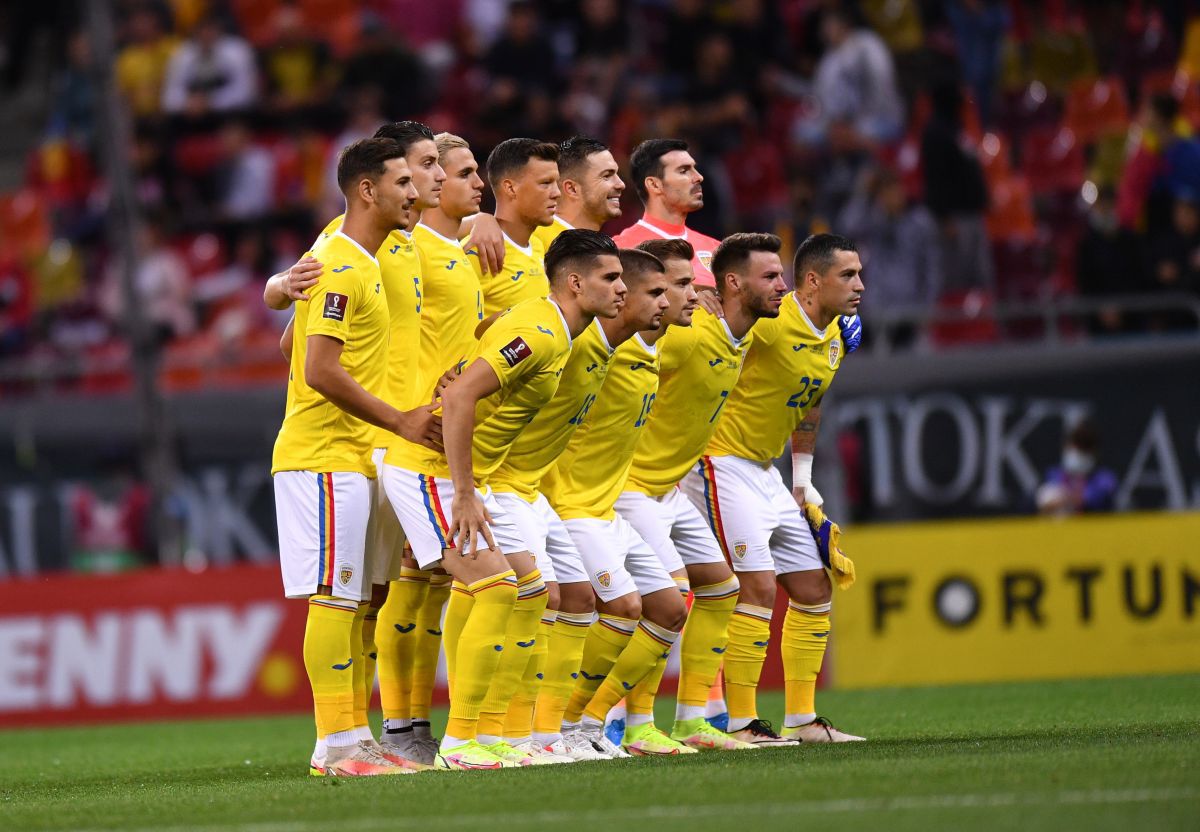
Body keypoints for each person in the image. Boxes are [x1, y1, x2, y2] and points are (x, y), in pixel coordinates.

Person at [383, 229, 625, 770]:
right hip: (429, 469)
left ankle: (501, 736)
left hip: (472, 473)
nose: (621, 289)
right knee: (496, 589)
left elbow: (487, 333)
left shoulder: (553, 327)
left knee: (533, 592)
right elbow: (465, 392)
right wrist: (467, 493)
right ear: (575, 282)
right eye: (610, 278)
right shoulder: (544, 332)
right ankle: (461, 740)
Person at [264, 122, 446, 774]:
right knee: (336, 596)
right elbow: (316, 369)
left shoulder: (376, 256)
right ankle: (335, 743)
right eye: (404, 179)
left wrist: (282, 293)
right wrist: (398, 417)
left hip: (366, 451)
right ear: (367, 190)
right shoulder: (340, 262)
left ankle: (357, 736)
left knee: (365, 598)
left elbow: (291, 342)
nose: (416, 190)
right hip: (325, 451)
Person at [543, 237, 755, 756]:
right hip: (573, 503)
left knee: (667, 608)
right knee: (617, 606)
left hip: (618, 500)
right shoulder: (587, 346)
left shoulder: (653, 347)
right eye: (662, 290)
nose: (679, 299)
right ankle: (565, 725)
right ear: (626, 297)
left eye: (678, 287)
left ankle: (591, 722)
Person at [476, 248, 670, 764]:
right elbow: (495, 337)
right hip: (514, 487)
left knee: (589, 602)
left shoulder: (605, 345)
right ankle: (506, 734)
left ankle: (553, 731)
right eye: (653, 289)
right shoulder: (569, 337)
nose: (665, 300)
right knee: (547, 601)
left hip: (543, 493)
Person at [681, 232, 865, 745]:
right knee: (757, 588)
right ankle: (740, 723)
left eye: (859, 274)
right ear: (813, 280)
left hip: (768, 472)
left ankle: (802, 719)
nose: (859, 285)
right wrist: (703, 298)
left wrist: (803, 481)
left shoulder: (837, 336)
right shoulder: (768, 321)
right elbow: (717, 335)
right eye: (847, 275)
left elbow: (808, 403)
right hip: (719, 460)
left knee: (813, 589)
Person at [611, 233, 787, 752]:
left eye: (694, 284)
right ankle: (629, 722)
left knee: (721, 588)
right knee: (666, 602)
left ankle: (692, 720)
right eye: (680, 285)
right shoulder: (680, 339)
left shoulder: (736, 336)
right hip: (632, 487)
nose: (691, 294)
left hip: (667, 490)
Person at [612, 139, 720, 288]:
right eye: (684, 171)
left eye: (694, 168)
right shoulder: (623, 250)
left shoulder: (715, 249)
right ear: (655, 185)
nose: (699, 177)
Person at [471, 138, 560, 316]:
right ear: (510, 188)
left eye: (556, 183)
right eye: (545, 183)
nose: (557, 193)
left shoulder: (537, 245)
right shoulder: (479, 251)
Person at [532, 136, 625, 249]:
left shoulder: (603, 248)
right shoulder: (533, 243)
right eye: (607, 176)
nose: (621, 184)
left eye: (616, 174)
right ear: (572, 189)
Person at [1036, 421, 1118, 516]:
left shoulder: (1105, 478)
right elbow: (1035, 502)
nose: (1078, 452)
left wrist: (1066, 500)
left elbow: (1100, 501)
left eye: (1084, 447)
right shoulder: (1052, 475)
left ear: (1094, 452)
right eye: (1075, 445)